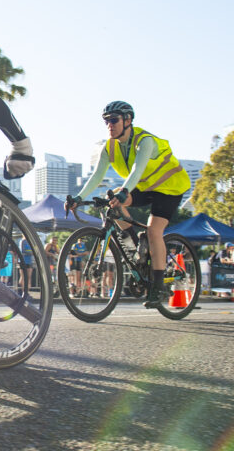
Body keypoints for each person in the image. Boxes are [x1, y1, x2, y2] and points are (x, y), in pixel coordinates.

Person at [65, 101, 191, 309]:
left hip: (169, 188)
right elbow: (97, 175)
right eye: (106, 121)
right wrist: (78, 198)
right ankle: (135, 248)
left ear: (128, 120)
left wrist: (124, 192)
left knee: (153, 231)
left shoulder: (145, 141)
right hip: (145, 187)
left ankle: (158, 288)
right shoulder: (110, 146)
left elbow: (137, 170)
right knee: (111, 200)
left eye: (114, 120)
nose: (109, 125)